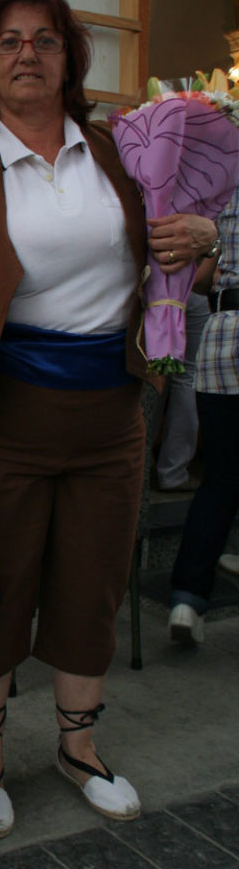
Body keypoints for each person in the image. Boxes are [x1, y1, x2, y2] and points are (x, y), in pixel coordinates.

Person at [0, 0, 218, 837]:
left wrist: (207, 240)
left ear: (70, 58)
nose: (27, 54)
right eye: (8, 41)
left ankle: (79, 749)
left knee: (92, 586)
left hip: (112, 416)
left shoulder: (124, 154)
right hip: (4, 420)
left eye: (44, 39)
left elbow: (186, 260)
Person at [169, 183, 239, 644]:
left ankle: (187, 601)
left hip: (223, 341)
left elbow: (200, 278)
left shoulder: (223, 191)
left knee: (220, 477)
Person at [154, 291, 209, 492]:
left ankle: (141, 459)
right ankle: (173, 472)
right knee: (187, 378)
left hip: (160, 291)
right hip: (194, 290)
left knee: (157, 373)